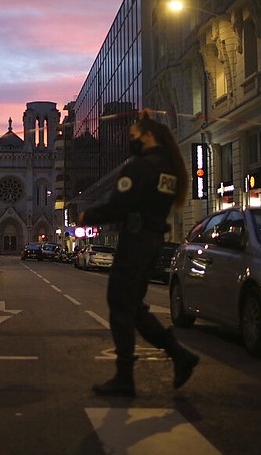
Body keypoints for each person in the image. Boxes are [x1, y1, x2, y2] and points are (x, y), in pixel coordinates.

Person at [78, 109, 199, 397]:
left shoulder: (140, 167)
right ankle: (178, 354)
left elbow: (118, 205)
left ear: (147, 136)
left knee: (120, 304)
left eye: (133, 136)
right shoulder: (169, 167)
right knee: (131, 304)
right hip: (153, 239)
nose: (130, 141)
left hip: (136, 241)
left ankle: (125, 376)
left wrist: (87, 216)